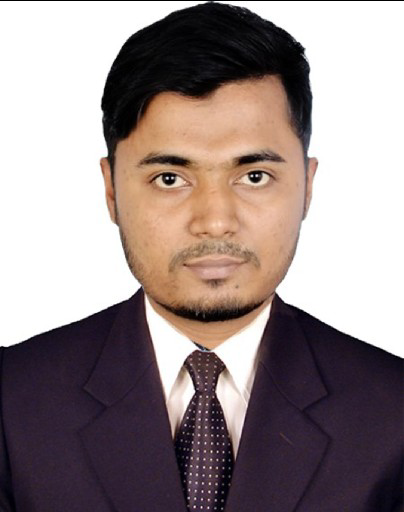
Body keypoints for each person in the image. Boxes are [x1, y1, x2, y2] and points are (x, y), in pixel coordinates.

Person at [0, 2, 402, 511]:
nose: (214, 221)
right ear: (111, 190)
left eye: (254, 176)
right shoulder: (12, 404)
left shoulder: (393, 414)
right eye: (170, 178)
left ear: (307, 186)